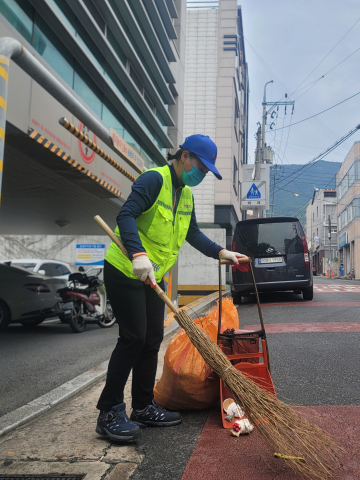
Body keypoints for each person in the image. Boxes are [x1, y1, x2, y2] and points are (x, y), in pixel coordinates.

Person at [95, 134, 246, 442]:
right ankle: (109, 410)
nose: (201, 175)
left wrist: (221, 252)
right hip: (126, 270)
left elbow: (193, 235)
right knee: (133, 337)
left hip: (153, 276)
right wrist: (137, 254)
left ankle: (143, 406)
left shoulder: (186, 195)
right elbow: (126, 215)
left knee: (151, 339)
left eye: (206, 172)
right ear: (185, 157)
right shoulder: (154, 179)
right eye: (200, 168)